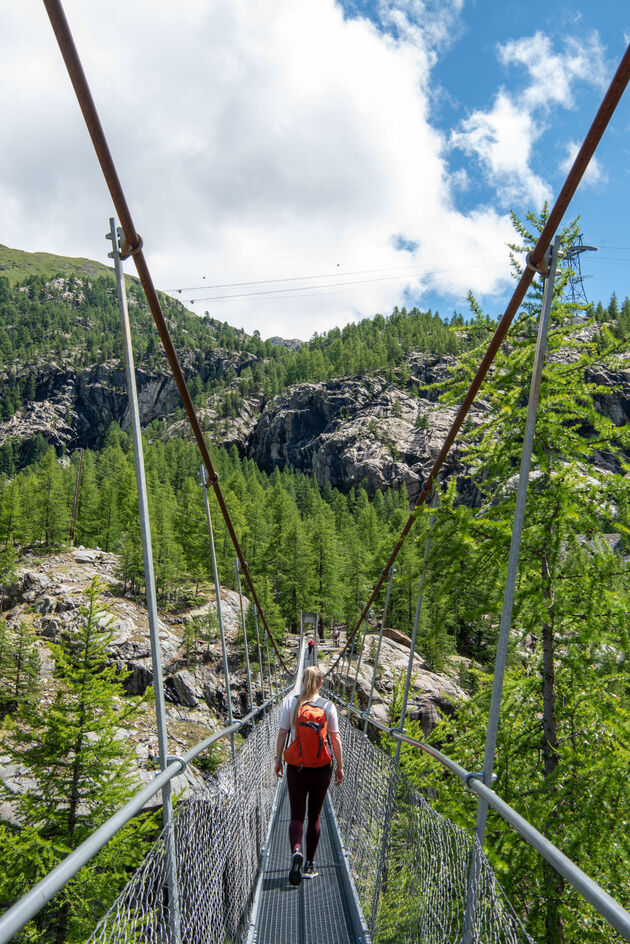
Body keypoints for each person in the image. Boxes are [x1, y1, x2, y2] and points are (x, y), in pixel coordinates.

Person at [275, 666, 344, 886]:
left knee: (296, 816)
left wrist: (278, 760)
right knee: (314, 816)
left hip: (296, 767)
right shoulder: (328, 706)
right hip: (321, 768)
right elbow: (335, 740)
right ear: (321, 683)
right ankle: (310, 865)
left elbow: (282, 734)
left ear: (303, 680)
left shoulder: (291, 703)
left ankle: (296, 850)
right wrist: (340, 767)